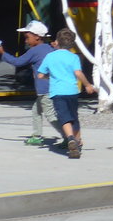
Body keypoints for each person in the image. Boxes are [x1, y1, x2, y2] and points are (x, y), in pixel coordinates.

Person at [0, 21, 59, 145]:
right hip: (52, 88)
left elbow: (18, 62)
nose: (25, 41)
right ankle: (36, 135)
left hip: (44, 90)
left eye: (27, 37)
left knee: (50, 116)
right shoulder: (49, 48)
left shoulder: (34, 51)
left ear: (37, 37)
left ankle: (69, 136)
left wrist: (2, 53)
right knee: (36, 110)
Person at [37, 29, 96, 159]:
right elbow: (78, 73)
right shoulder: (74, 57)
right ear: (71, 44)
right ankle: (78, 142)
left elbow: (40, 75)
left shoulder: (50, 56)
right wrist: (87, 85)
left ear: (57, 42)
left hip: (57, 92)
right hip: (72, 91)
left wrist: (51, 77)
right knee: (74, 117)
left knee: (64, 117)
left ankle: (70, 138)